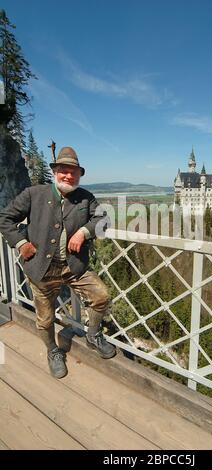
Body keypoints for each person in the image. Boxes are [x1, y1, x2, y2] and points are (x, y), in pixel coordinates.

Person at [0, 146, 116, 379]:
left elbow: (104, 218)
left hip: (74, 267)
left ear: (79, 175)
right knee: (45, 318)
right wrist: (21, 243)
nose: (68, 176)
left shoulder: (85, 197)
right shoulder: (34, 193)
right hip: (41, 269)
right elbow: (5, 219)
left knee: (101, 296)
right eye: (63, 170)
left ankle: (93, 334)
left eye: (73, 172)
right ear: (55, 172)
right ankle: (53, 351)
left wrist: (84, 231)